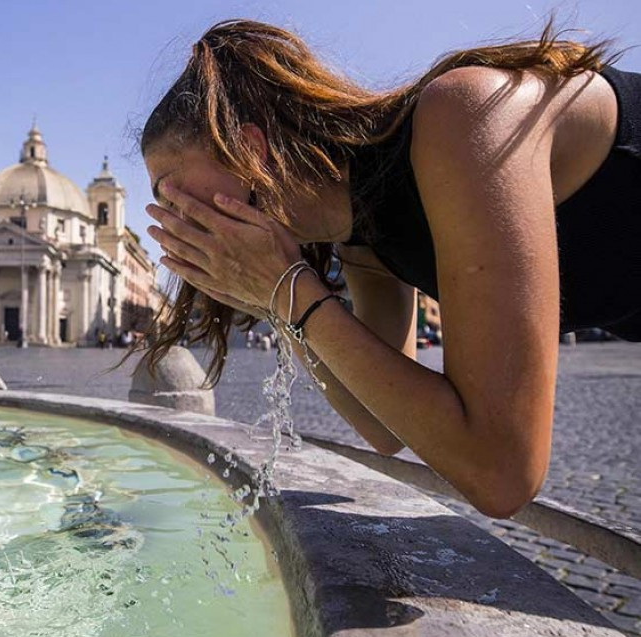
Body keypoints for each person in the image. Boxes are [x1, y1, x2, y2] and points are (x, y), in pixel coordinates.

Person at [138, 19, 639, 519]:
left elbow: (502, 473)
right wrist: (274, 298)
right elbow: (384, 428)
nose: (169, 218)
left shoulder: (460, 116)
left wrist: (288, 288)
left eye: (170, 191)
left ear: (250, 149)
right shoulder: (362, 237)